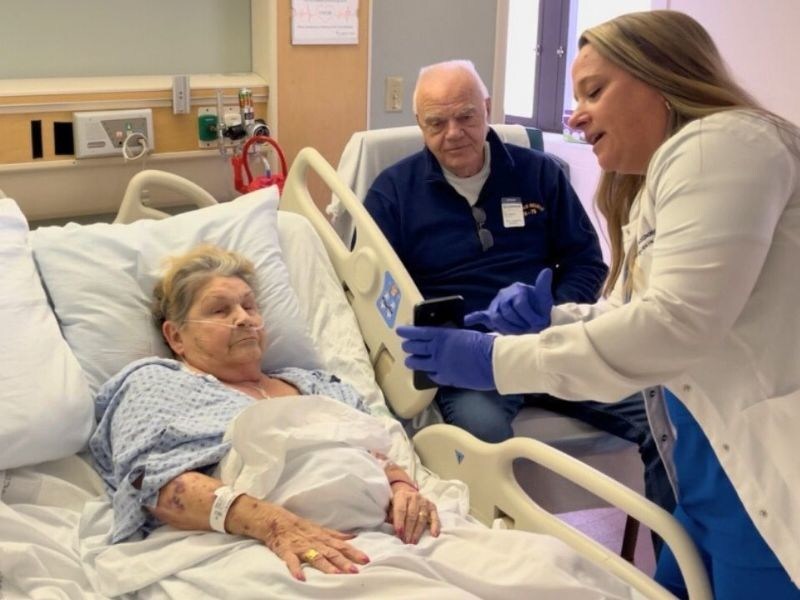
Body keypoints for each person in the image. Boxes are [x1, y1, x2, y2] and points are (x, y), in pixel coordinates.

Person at [398, 10, 800, 600]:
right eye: (437, 121)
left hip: (759, 466)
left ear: (660, 76)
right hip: (709, 461)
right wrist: (551, 322)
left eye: (594, 90)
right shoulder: (399, 189)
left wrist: (498, 357)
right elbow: (646, 309)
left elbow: (671, 324)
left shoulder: (721, 147)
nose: (576, 114)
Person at [87, 244, 637, 599]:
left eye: (251, 306)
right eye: (219, 309)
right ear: (176, 335)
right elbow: (156, 486)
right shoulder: (156, 382)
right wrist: (277, 526)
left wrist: (402, 486)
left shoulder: (311, 381)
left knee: (552, 571)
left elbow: (376, 444)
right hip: (266, 547)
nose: (245, 318)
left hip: (389, 533)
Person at [364, 59, 675, 521]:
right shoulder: (393, 193)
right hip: (468, 359)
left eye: (466, 116)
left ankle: (677, 569)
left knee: (662, 419)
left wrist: (550, 312)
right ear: (419, 125)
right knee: (483, 440)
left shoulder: (541, 175)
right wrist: (445, 341)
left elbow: (586, 261)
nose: (453, 132)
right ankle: (507, 560)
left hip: (552, 339)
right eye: (436, 122)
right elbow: (377, 300)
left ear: (487, 109)